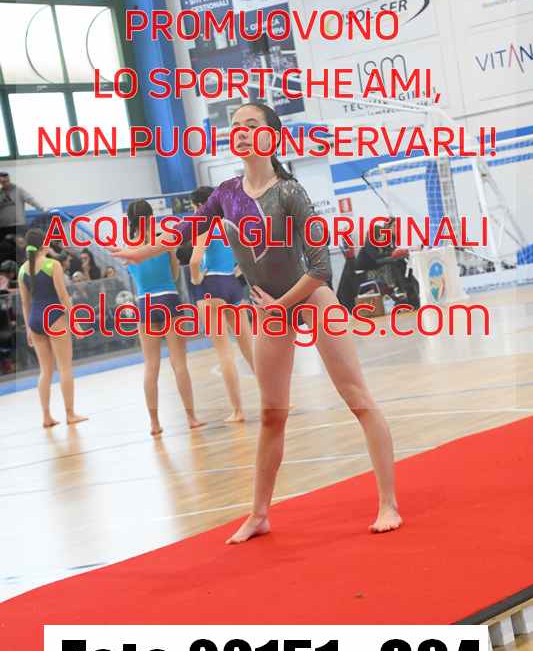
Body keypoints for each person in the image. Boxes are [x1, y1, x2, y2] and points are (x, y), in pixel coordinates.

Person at [114, 102, 402, 542]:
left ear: (273, 137)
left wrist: (281, 305)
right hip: (272, 310)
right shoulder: (226, 193)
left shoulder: (290, 192)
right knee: (271, 415)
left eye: (252, 125)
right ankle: (259, 514)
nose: (242, 131)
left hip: (308, 299)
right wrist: (140, 252)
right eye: (236, 126)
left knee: (358, 399)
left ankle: (388, 503)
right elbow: (186, 230)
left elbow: (320, 269)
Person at [126, 199, 205, 434]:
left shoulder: (127, 247)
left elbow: (135, 276)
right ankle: (191, 417)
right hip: (168, 299)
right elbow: (174, 274)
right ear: (151, 217)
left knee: (151, 366)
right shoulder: (165, 240)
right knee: (179, 364)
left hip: (145, 303)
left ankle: (154, 423)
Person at [189, 185, 255, 422]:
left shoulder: (203, 225)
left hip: (212, 286)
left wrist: (196, 279)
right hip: (232, 284)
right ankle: (278, 400)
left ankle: (238, 410)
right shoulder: (229, 223)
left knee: (224, 352)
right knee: (249, 349)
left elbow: (195, 259)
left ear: (200, 206)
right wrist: (237, 271)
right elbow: (249, 253)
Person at [17, 228, 87, 428]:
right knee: (65, 368)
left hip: (35, 319)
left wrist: (29, 328)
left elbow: (25, 303)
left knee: (45, 371)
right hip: (54, 317)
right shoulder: (52, 264)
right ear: (44, 245)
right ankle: (70, 414)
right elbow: (63, 297)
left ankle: (46, 417)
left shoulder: (22, 270)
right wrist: (74, 322)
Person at [0, 172, 45, 246]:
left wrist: (42, 209)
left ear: (9, 179)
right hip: (3, 226)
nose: (5, 183)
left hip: (18, 225)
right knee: (5, 246)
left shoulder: (18, 190)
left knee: (21, 245)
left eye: (6, 181)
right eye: (2, 182)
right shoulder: (0, 193)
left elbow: (30, 199)